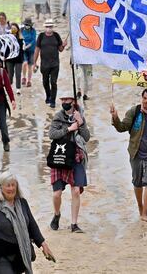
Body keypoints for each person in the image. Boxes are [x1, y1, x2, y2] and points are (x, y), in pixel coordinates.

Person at [0, 171, 55, 272]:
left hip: (17, 254)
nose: (11, 188)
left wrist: (44, 245)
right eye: (7, 185)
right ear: (1, 187)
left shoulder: (22, 203)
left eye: (13, 185)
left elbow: (32, 226)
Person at [110, 88, 147, 222]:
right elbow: (122, 128)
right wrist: (115, 117)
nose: (146, 102)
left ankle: (145, 213)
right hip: (136, 153)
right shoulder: (134, 112)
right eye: (144, 98)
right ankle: (140, 207)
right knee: (137, 182)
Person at [49, 95, 90, 233]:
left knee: (76, 191)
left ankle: (74, 224)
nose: (65, 103)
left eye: (68, 100)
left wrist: (81, 123)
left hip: (76, 156)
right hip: (60, 156)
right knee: (57, 194)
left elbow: (86, 137)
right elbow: (52, 134)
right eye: (63, 100)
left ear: (73, 102)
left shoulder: (80, 115)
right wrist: (69, 129)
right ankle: (56, 214)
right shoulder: (58, 117)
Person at [33, 20, 66, 108]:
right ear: (45, 27)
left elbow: (60, 49)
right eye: (47, 27)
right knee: (45, 82)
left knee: (53, 82)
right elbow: (37, 50)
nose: (49, 28)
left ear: (53, 27)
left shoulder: (56, 35)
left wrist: (64, 45)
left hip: (55, 64)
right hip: (44, 64)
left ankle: (53, 101)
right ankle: (48, 95)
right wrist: (34, 63)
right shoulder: (41, 36)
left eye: (50, 27)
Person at [4, 23, 23, 94]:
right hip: (10, 58)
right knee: (10, 74)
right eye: (12, 28)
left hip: (18, 59)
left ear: (17, 29)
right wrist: (5, 56)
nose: (13, 30)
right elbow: (6, 47)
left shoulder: (20, 38)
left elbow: (21, 49)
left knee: (18, 73)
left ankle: (18, 88)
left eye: (15, 28)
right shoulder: (8, 37)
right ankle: (10, 87)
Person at [21, 18, 36, 88]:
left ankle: (29, 81)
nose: (27, 26)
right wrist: (23, 44)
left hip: (31, 50)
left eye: (28, 25)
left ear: (30, 25)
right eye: (26, 25)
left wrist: (27, 46)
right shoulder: (21, 30)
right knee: (24, 63)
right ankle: (23, 77)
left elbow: (33, 41)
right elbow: (20, 38)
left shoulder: (33, 31)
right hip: (23, 50)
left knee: (30, 66)